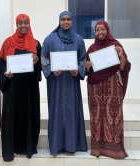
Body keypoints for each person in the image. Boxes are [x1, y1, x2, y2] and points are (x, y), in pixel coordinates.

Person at [41, 11, 88, 155]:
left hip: (71, 83)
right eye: (63, 19)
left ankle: (71, 145)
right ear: (59, 21)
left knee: (71, 111)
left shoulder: (79, 39)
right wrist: (51, 70)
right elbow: (44, 58)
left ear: (72, 21)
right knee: (56, 110)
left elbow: (82, 59)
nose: (66, 22)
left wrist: (78, 70)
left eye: (68, 19)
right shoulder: (50, 38)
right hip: (55, 83)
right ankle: (57, 145)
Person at [0, 14, 41, 161]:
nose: (23, 26)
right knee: (12, 119)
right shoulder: (8, 43)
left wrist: (36, 63)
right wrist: (5, 76)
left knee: (28, 117)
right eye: (20, 23)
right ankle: (12, 148)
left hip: (29, 90)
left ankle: (27, 147)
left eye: (26, 23)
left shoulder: (35, 44)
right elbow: (1, 68)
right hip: (12, 90)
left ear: (29, 24)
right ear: (17, 24)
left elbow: (38, 74)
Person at [85, 20, 131, 159]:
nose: (100, 33)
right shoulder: (92, 48)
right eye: (97, 30)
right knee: (97, 116)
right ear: (95, 32)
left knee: (114, 115)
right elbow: (87, 71)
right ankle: (97, 148)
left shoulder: (116, 46)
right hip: (95, 87)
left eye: (102, 30)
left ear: (107, 30)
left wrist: (121, 56)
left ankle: (115, 148)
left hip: (113, 86)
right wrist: (87, 66)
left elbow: (124, 68)